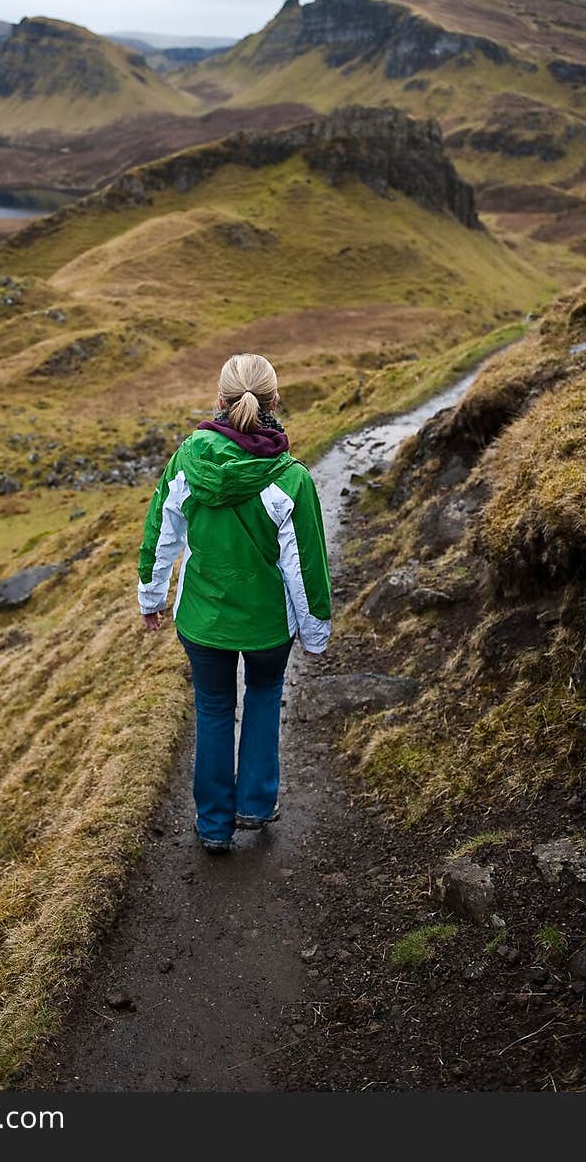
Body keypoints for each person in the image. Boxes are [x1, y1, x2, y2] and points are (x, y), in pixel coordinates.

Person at [137, 352, 332, 853]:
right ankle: (255, 805)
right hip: (268, 625)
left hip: (202, 621)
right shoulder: (291, 479)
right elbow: (305, 567)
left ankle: (214, 824)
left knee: (214, 708)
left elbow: (162, 534)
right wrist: (314, 633)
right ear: (275, 401)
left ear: (220, 401)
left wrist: (152, 597)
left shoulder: (188, 460)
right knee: (265, 697)